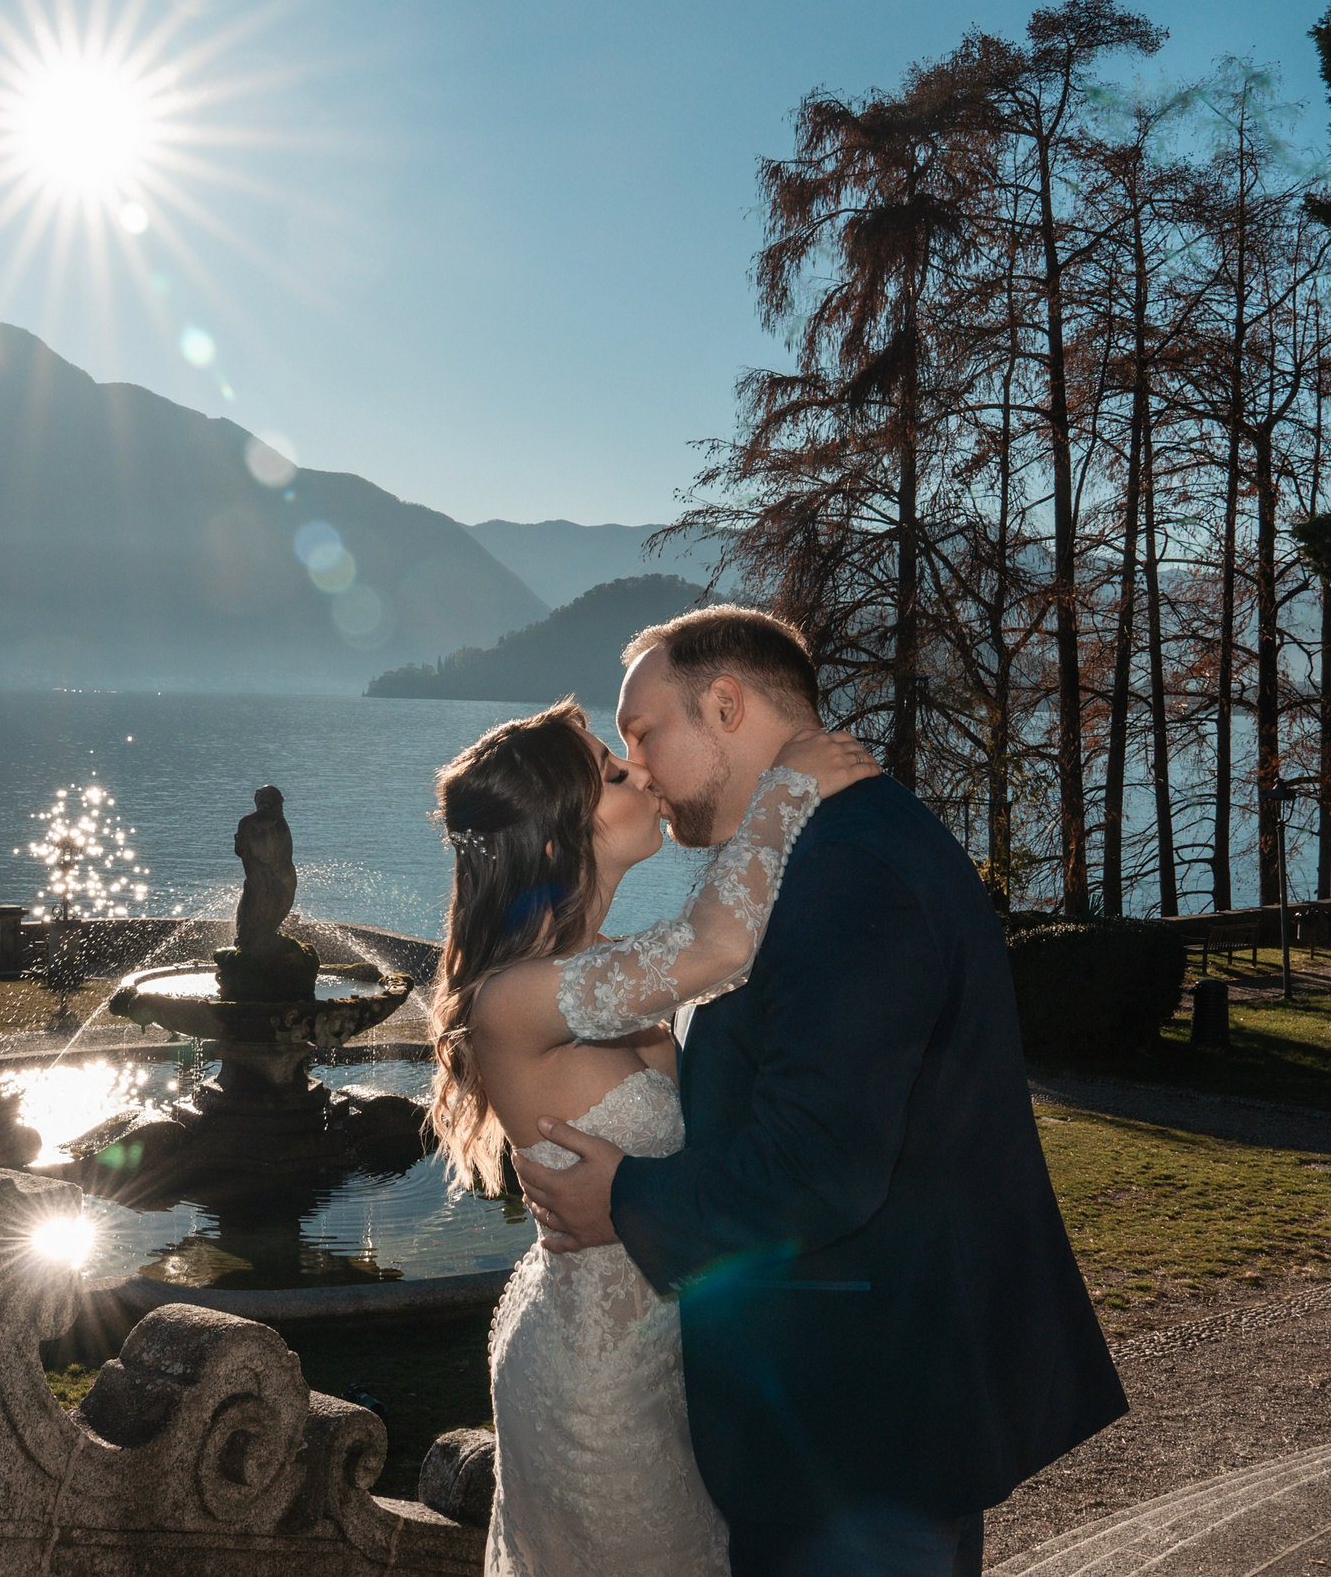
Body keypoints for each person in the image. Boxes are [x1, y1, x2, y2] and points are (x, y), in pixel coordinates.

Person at [511, 606, 1125, 1577]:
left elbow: (821, 1164)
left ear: (725, 706)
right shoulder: (821, 849)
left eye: (643, 732)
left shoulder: (847, 872)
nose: (638, 767)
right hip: (852, 1419)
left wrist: (623, 1197)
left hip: (859, 1435)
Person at [426, 693, 876, 1574]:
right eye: (610, 771)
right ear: (555, 841)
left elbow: (724, 959)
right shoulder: (513, 998)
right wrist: (785, 786)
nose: (641, 772)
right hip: (594, 1388)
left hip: (665, 1351)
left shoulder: (605, 963)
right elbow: (718, 948)